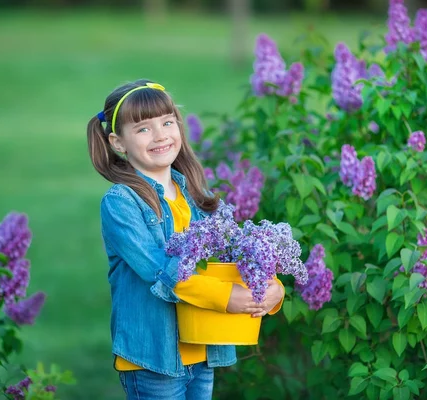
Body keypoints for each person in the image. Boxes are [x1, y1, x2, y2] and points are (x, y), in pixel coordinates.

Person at [87, 79, 285, 400]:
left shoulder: (196, 195)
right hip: (153, 358)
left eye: (167, 122)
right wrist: (225, 297)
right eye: (143, 129)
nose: (161, 135)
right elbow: (160, 269)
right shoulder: (121, 202)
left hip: (202, 348)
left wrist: (272, 287)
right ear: (118, 142)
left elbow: (235, 251)